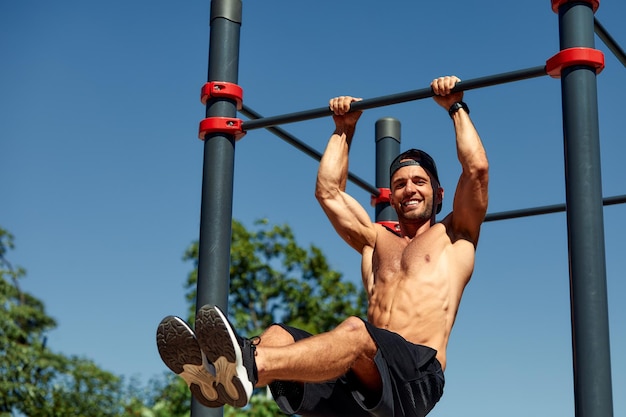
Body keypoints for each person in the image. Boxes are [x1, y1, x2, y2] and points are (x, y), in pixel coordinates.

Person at [156, 75, 489, 417]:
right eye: (400, 184)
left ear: (439, 194)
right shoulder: (374, 242)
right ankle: (221, 373)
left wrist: (455, 107)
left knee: (356, 332)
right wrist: (343, 129)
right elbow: (328, 191)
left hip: (415, 379)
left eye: (419, 181)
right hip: (362, 381)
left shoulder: (456, 234)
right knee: (279, 334)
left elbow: (476, 169)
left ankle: (247, 362)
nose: (409, 189)